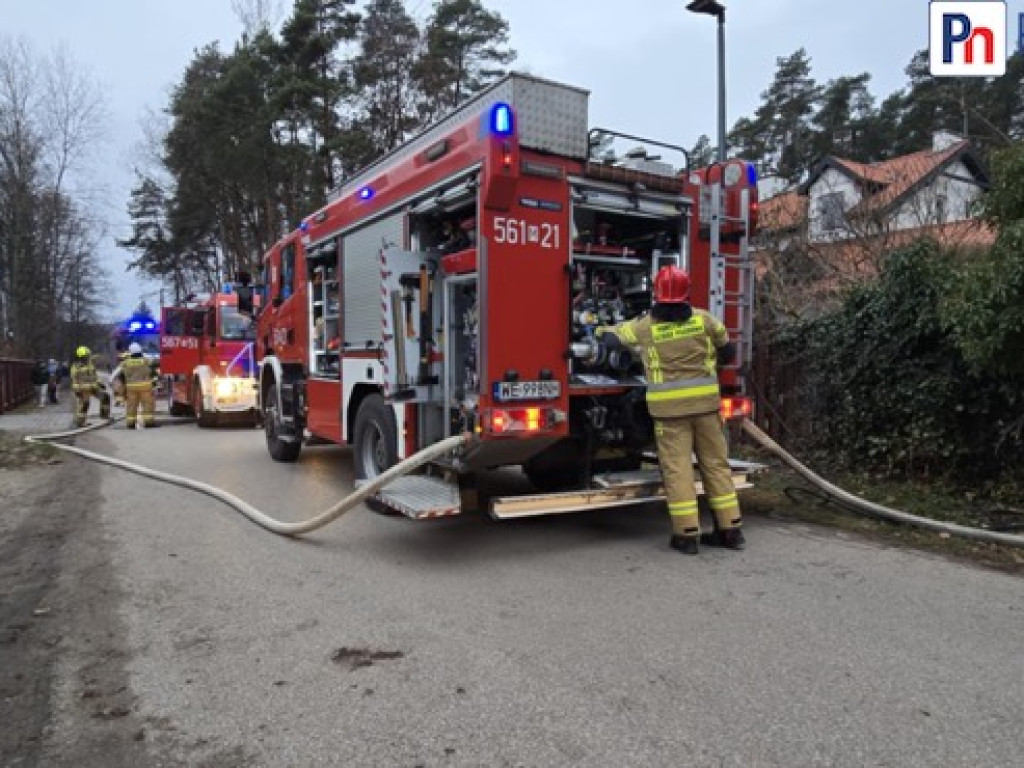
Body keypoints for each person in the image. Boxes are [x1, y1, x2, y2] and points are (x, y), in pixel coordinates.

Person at [598, 266, 745, 555]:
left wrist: (600, 329)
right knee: (716, 465)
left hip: (670, 414)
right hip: (707, 409)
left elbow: (615, 337)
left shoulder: (645, 327)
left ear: (656, 293)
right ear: (686, 292)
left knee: (678, 471)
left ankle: (687, 535)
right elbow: (728, 352)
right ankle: (731, 530)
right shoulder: (705, 320)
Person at [70, 346, 111, 428]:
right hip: (83, 389)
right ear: (82, 356)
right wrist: (77, 390)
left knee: (105, 397)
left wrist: (99, 383)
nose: (89, 356)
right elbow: (74, 380)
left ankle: (105, 416)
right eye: (87, 355)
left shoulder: (90, 364)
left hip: (93, 387)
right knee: (85, 404)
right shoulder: (76, 367)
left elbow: (94, 376)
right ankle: (80, 422)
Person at [122, 342, 158, 428]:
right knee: (147, 405)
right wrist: (155, 382)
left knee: (131, 406)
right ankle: (149, 422)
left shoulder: (126, 363)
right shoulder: (145, 361)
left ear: (130, 352)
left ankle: (130, 424)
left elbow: (122, 374)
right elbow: (153, 372)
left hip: (131, 388)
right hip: (145, 387)